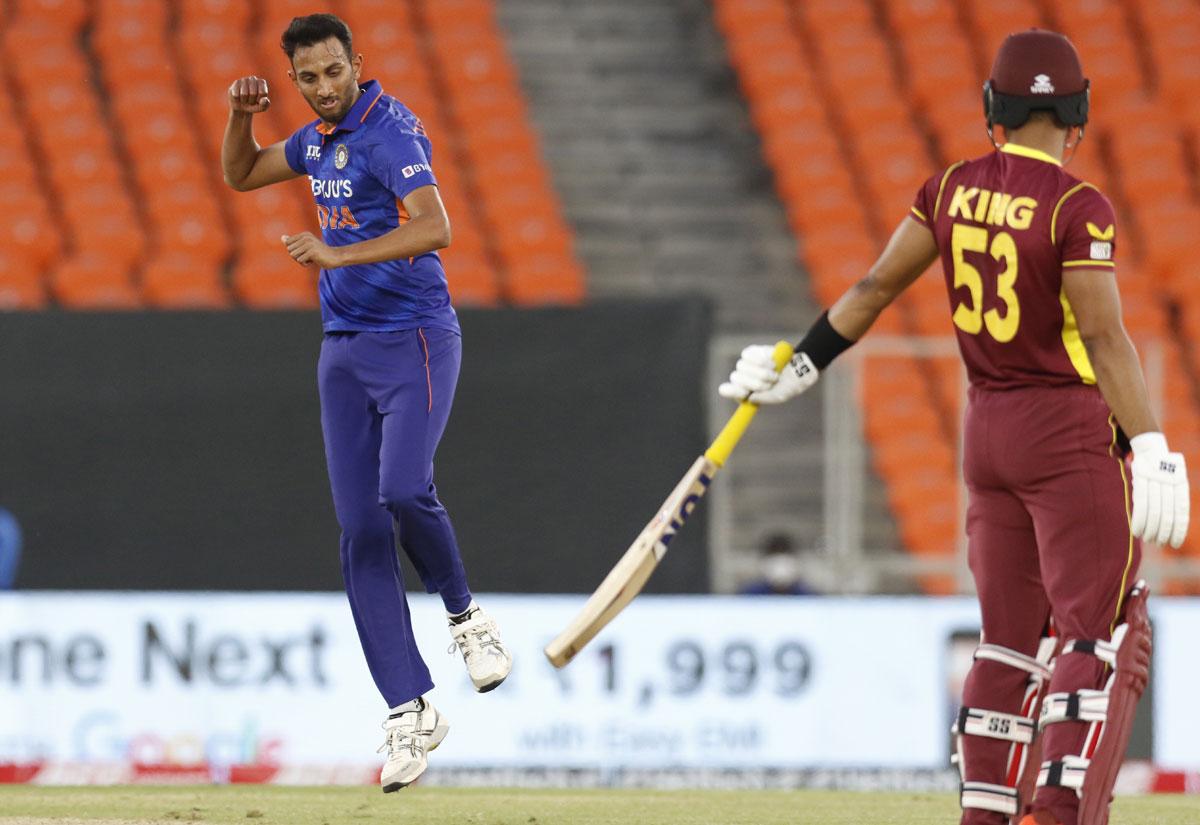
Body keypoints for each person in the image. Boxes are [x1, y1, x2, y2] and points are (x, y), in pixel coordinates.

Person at [719, 30, 1188, 825]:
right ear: (1076, 113)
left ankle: (984, 812)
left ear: (992, 109)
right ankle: (1057, 809)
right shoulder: (1080, 206)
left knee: (1005, 640)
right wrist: (1150, 442)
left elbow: (871, 287)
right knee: (1098, 631)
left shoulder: (950, 189)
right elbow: (1104, 337)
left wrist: (801, 366)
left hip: (987, 430)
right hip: (1066, 428)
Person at [220, 13, 511, 792]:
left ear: (358, 64)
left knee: (404, 489)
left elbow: (436, 227)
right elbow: (242, 176)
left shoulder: (391, 133)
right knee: (358, 530)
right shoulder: (316, 141)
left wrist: (336, 253)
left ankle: (464, 616)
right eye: (307, 78)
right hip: (342, 350)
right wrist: (240, 119)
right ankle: (409, 707)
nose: (322, 88)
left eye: (333, 72)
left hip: (412, 335)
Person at [738, 532, 816, 595]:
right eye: (774, 556)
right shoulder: (749, 596)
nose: (780, 565)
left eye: (785, 558)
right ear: (764, 562)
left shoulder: (808, 596)